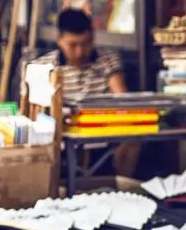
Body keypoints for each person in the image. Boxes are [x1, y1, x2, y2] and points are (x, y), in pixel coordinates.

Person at [33, 9, 134, 175]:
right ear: (59, 40)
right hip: (63, 130)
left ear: (93, 37)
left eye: (85, 43)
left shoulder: (107, 60)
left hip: (103, 127)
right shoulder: (44, 66)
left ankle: (119, 184)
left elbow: (121, 97)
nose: (80, 52)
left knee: (133, 134)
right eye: (72, 45)